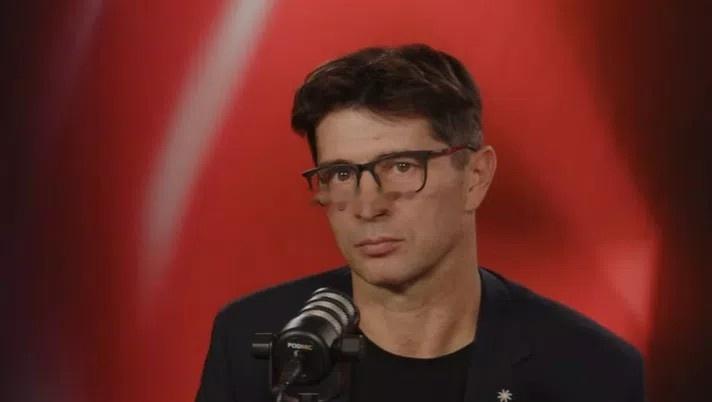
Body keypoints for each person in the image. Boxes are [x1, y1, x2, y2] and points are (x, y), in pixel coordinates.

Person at [195, 43, 646, 402]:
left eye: (401, 166)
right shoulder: (248, 342)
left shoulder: (594, 371)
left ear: (475, 177)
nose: (368, 206)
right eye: (342, 174)